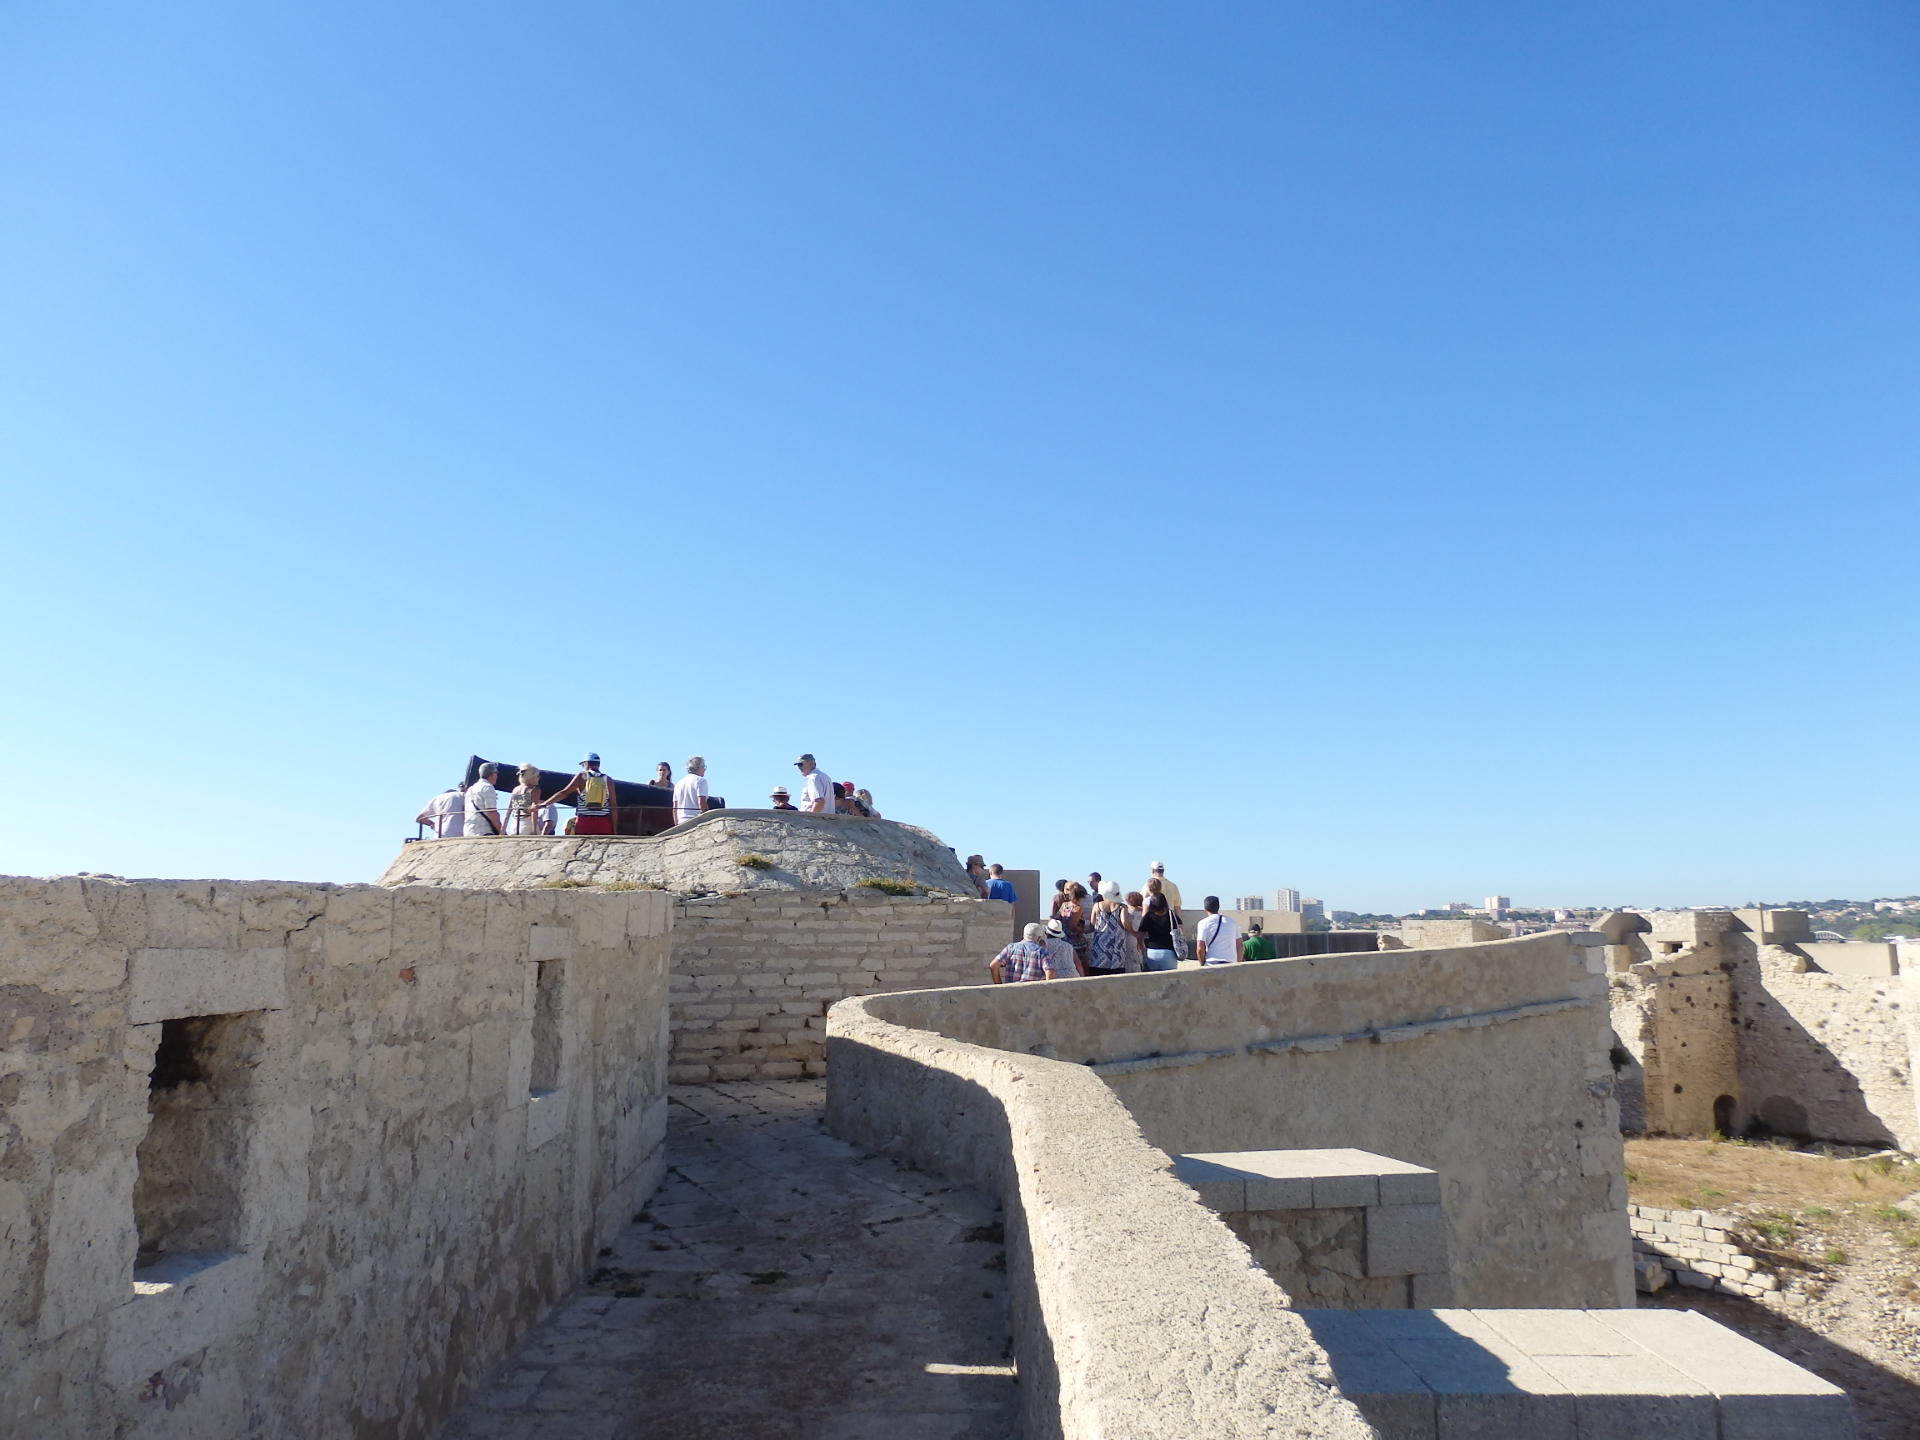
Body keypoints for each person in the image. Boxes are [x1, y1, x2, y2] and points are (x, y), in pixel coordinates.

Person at [545, 753, 618, 835]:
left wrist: (544, 804)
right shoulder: (609, 780)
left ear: (586, 763)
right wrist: (614, 829)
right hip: (603, 822)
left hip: (584, 821)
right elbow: (613, 807)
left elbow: (564, 793)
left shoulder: (582, 776)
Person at [1087, 886, 1136, 976]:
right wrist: (1134, 933)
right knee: (1117, 975)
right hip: (1116, 947)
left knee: (1098, 975)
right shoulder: (1122, 907)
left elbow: (1092, 925)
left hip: (1100, 947)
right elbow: (1124, 921)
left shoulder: (1097, 906)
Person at [990, 923, 1056, 983]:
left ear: (1023, 935)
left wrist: (999, 985)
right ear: (1039, 938)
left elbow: (993, 965)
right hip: (1032, 993)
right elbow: (1050, 973)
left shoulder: (1010, 948)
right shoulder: (1042, 952)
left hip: (1010, 992)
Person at [1137, 891, 1179, 972]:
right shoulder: (1171, 915)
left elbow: (1140, 935)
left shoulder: (1148, 916)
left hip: (1152, 952)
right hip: (1169, 952)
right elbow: (1181, 931)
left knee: (1153, 981)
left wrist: (1142, 948)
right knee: (1170, 980)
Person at [1196, 896, 1240, 966]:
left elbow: (1200, 948)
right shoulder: (1232, 921)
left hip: (1212, 962)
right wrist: (1238, 963)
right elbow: (1240, 944)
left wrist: (1202, 964)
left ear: (1205, 908)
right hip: (1231, 963)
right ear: (1218, 906)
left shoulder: (1203, 923)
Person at [505, 764, 547, 835]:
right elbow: (534, 811)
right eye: (537, 776)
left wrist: (502, 830)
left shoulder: (515, 790)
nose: (539, 778)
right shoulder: (535, 790)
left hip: (514, 825)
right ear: (532, 777)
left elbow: (508, 811)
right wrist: (534, 831)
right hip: (527, 825)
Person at [463, 764, 504, 837]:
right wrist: (501, 831)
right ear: (492, 775)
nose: (497, 777)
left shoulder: (471, 789)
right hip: (483, 831)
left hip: (468, 830)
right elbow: (492, 812)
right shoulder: (488, 787)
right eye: (496, 774)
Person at [673, 756, 713, 827]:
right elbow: (701, 803)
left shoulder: (678, 784)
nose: (704, 769)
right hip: (695, 821)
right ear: (699, 767)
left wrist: (676, 826)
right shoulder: (701, 781)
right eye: (703, 766)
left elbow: (675, 808)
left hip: (681, 822)